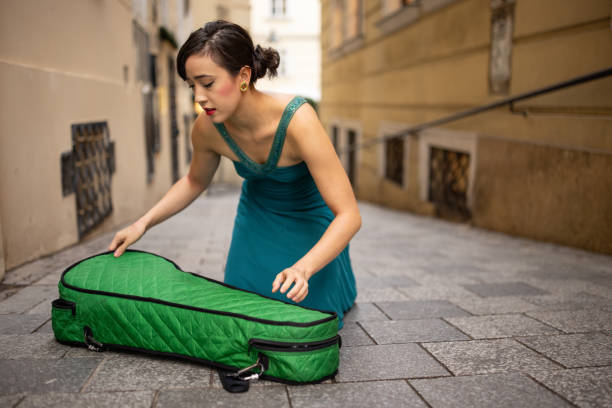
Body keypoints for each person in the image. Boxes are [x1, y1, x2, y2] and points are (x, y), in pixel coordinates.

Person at [108, 20, 360, 329]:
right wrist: (141, 224)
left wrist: (305, 269)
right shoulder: (206, 129)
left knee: (306, 322)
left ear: (243, 76)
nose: (198, 97)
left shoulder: (299, 121)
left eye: (207, 83)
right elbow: (194, 180)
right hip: (257, 220)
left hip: (311, 224)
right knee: (240, 318)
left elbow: (349, 215)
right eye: (192, 86)